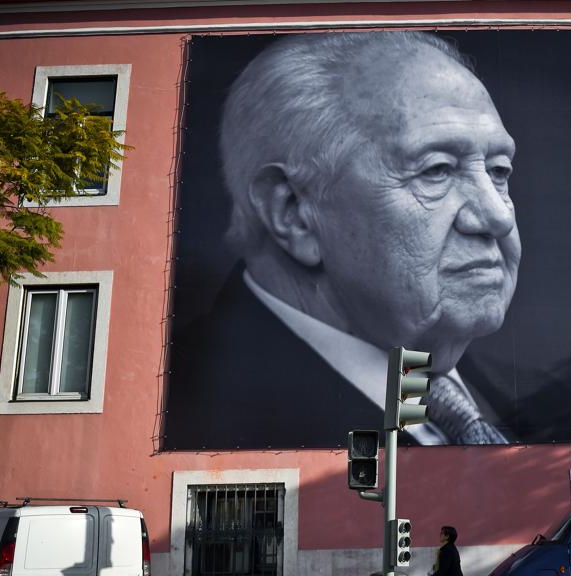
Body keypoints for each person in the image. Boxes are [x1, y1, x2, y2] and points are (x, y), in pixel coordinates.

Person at [163, 31, 520, 450]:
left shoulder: (529, 397)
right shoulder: (201, 410)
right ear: (294, 212)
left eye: (498, 171)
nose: (499, 215)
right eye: (436, 170)